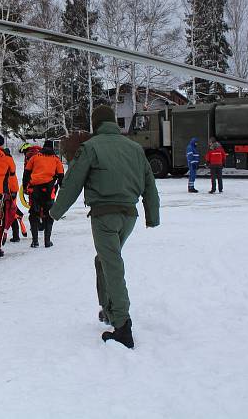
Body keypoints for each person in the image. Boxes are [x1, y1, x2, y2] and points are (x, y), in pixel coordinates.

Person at [50, 105, 160, 349]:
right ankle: (108, 309)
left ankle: (122, 326)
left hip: (104, 216)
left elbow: (73, 182)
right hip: (128, 216)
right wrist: (152, 215)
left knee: (112, 264)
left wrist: (55, 212)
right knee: (104, 260)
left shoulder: (91, 147)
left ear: (96, 123)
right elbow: (150, 184)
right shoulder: (134, 147)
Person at [23, 140, 64, 248]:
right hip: (49, 191)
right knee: (49, 215)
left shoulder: (34, 157)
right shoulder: (56, 159)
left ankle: (35, 241)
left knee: (34, 214)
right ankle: (47, 241)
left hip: (35, 190)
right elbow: (61, 176)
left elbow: (26, 173)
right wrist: (60, 189)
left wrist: (24, 187)